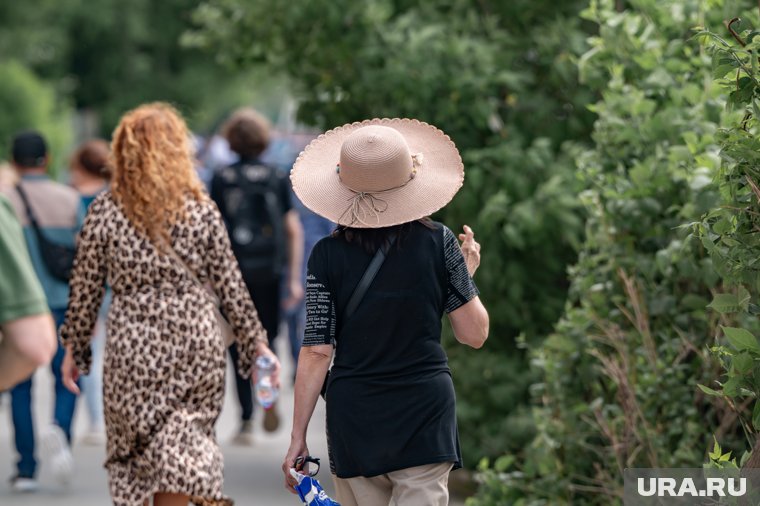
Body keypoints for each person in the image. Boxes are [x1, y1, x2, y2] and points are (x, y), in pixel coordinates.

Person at [59, 102, 281, 506]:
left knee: (136, 456)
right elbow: (230, 282)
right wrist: (257, 342)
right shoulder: (200, 209)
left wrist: (76, 347)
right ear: (178, 150)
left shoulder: (105, 211)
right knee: (187, 447)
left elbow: (86, 288)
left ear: (124, 152)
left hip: (132, 346)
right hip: (195, 340)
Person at [282, 119, 489, 506]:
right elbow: (474, 333)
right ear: (411, 182)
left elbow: (316, 350)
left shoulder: (326, 256)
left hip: (356, 417)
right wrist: (463, 276)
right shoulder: (440, 243)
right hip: (424, 414)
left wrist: (298, 436)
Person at [210, 108, 304, 444]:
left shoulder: (222, 178)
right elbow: (292, 229)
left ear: (232, 141)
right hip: (270, 271)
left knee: (236, 344)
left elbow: (215, 231)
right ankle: (269, 394)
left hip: (233, 275)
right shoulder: (277, 177)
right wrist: (293, 277)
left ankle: (247, 419)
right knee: (268, 338)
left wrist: (210, 279)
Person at [1, 131, 85, 491]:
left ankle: (26, 468)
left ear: (14, 160)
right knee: (67, 378)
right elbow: (86, 259)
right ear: (46, 159)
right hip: (64, 304)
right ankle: (61, 431)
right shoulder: (69, 199)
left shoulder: (6, 202)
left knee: (19, 386)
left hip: (19, 311)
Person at [68, 139, 111, 444]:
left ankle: (97, 422)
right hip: (120, 286)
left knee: (91, 356)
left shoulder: (74, 202)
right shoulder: (117, 199)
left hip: (90, 287)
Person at [0, 194, 57, 393]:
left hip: (23, 300)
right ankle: (60, 423)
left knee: (22, 395)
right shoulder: (68, 200)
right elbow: (34, 346)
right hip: (45, 298)